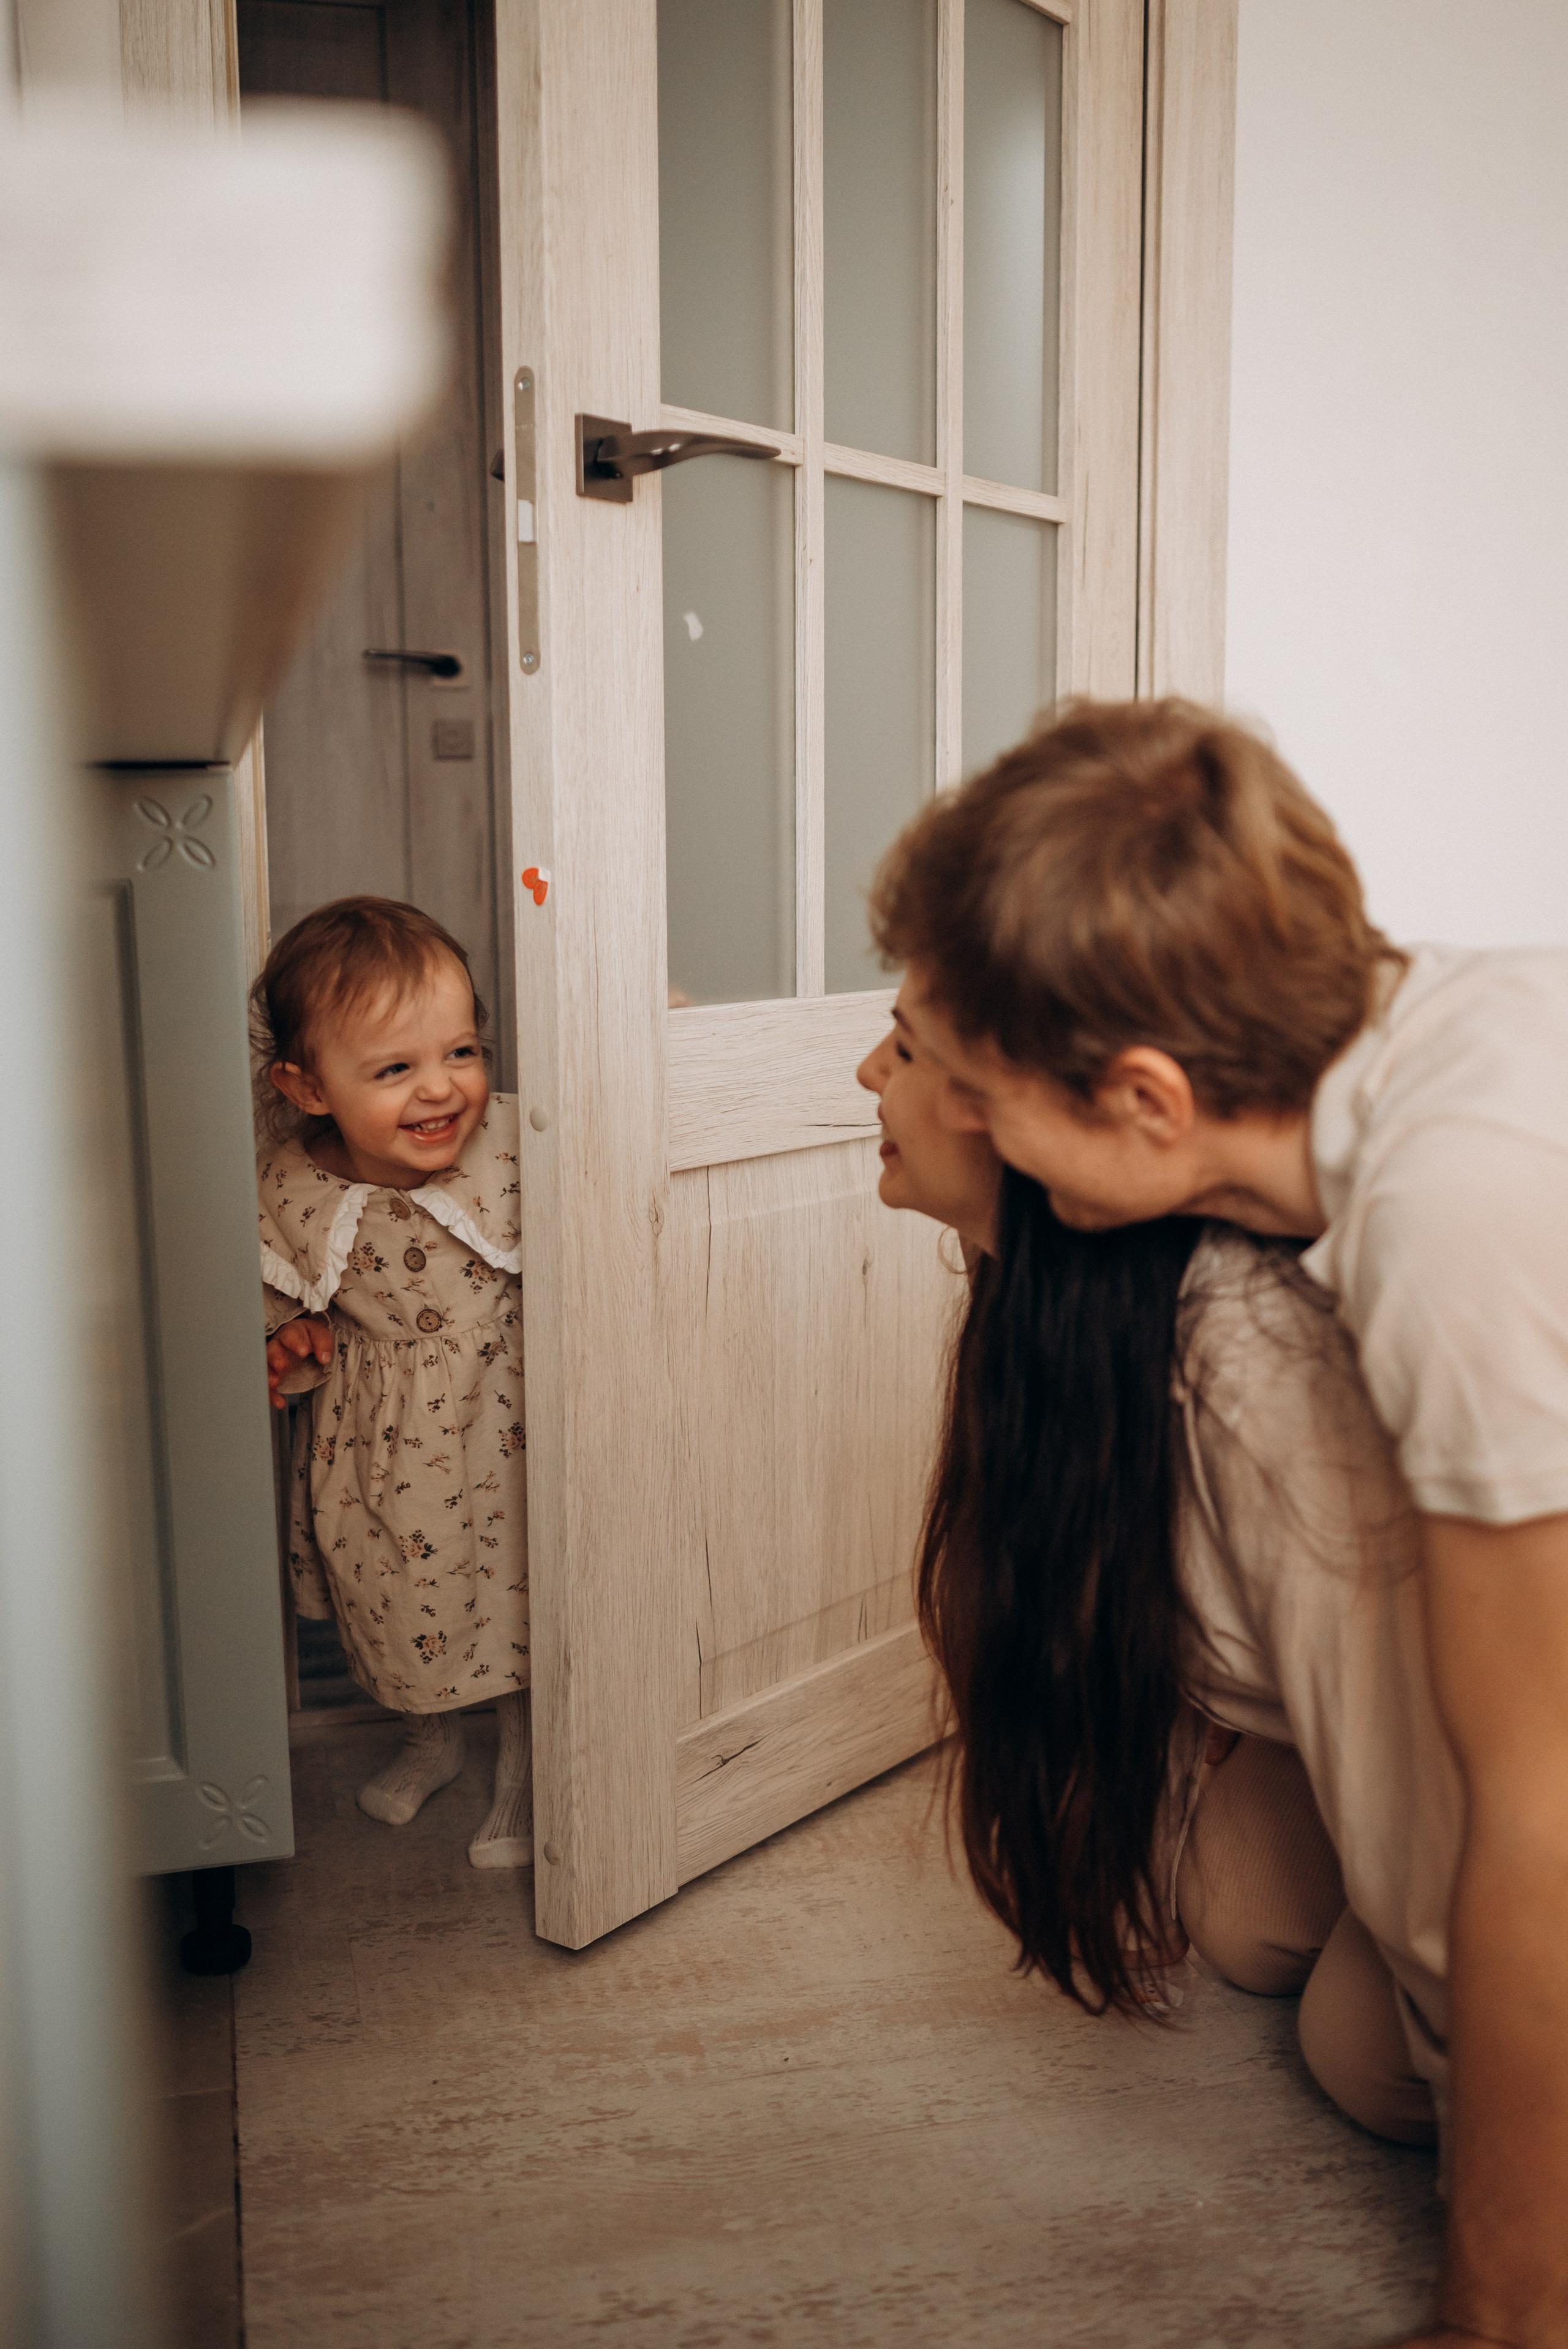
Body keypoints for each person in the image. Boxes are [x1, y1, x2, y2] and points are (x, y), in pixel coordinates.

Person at [868, 698, 1568, 2349]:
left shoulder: (1456, 1208)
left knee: (1415, 1998)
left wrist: (1497, 2318)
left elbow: (1540, 1804)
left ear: (1143, 1097)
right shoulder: (1380, 1065)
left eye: (969, 1083)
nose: (954, 1112)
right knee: (1323, 1994)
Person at [858, 991, 1447, 2140]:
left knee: (1367, 2054)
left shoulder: (1245, 1359)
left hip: (1473, 1727)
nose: (868, 1073)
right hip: (1334, 1708)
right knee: (1249, 1918)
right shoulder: (1040, 1302)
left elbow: (1417, 1733)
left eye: (906, 1047)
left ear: (1020, 1113)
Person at [253, 896, 532, 1869]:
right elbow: (273, 1308)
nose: (441, 1090)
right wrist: (289, 1346)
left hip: (507, 1420)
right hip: (384, 1446)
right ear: (310, 1086)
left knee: (515, 1590)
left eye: (462, 1051)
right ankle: (432, 1736)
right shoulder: (294, 1189)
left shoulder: (511, 1144)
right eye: (395, 1069)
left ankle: (525, 1761)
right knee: (401, 1593)